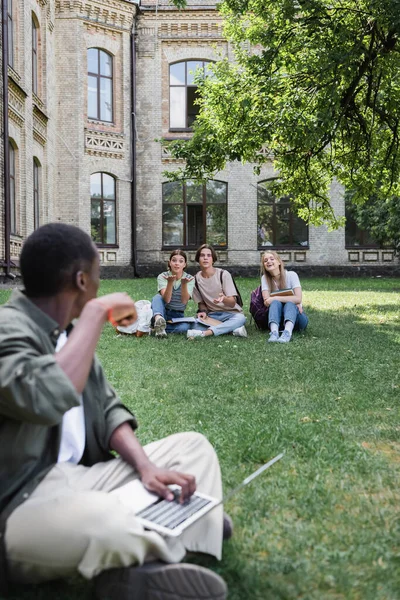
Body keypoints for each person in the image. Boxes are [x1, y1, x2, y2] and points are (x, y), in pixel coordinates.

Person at [0, 224, 229, 600]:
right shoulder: (8, 331)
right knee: (102, 518)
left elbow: (108, 410)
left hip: (82, 479)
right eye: (97, 278)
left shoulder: (69, 333)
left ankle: (141, 557)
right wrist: (96, 315)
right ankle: (177, 532)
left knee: (193, 448)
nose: (99, 286)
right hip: (21, 505)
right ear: (80, 280)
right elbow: (46, 396)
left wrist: (145, 466)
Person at [187, 244, 247, 340]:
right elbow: (201, 303)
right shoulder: (195, 280)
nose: (205, 258)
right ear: (198, 259)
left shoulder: (223, 274)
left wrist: (224, 299)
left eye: (209, 255)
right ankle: (232, 330)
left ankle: (206, 333)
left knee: (241, 319)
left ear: (213, 259)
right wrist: (203, 311)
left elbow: (232, 303)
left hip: (231, 313)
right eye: (202, 255)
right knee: (194, 323)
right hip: (212, 315)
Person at [151, 250, 202, 337]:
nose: (177, 263)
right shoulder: (162, 276)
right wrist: (170, 283)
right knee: (157, 297)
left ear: (185, 264)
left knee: (184, 327)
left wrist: (184, 284)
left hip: (177, 315)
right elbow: (166, 299)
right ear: (169, 263)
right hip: (163, 311)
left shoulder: (189, 278)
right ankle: (158, 319)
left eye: (181, 261)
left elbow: (184, 301)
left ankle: (157, 328)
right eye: (174, 260)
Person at [261, 250, 308, 343]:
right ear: (264, 266)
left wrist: (275, 298)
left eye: (271, 259)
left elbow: (298, 298)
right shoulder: (265, 278)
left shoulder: (291, 275)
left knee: (289, 303)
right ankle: (274, 333)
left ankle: (287, 333)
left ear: (279, 262)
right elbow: (266, 302)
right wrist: (278, 300)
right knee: (275, 303)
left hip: (297, 320)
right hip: (277, 319)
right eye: (265, 261)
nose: (268, 262)